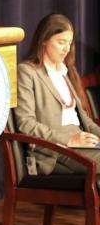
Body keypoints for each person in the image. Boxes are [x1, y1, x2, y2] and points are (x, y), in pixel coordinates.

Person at [14, 13, 100, 176]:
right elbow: (26, 124)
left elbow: (85, 121)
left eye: (69, 43)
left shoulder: (64, 72)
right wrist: (69, 140)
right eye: (61, 42)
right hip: (55, 150)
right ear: (44, 39)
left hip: (82, 141)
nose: (67, 49)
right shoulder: (27, 72)